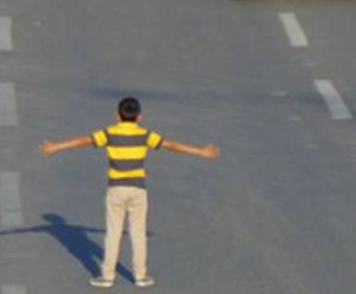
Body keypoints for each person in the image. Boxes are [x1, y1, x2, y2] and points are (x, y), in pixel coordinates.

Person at [39, 97, 220, 289]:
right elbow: (170, 145)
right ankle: (140, 277)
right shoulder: (145, 135)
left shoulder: (109, 133)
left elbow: (84, 140)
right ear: (139, 117)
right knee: (138, 233)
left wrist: (55, 147)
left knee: (113, 234)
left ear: (117, 115)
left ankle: (107, 277)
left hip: (116, 189)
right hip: (138, 190)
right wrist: (201, 151)